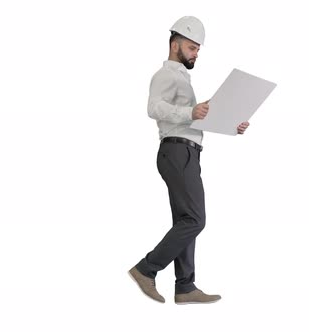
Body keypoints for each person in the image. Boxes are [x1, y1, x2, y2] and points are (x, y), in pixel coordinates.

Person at [128, 16, 250, 305]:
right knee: (195, 220)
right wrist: (190, 113)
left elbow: (193, 117)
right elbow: (153, 108)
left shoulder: (183, 78)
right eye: (193, 48)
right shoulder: (166, 75)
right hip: (176, 152)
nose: (196, 54)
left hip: (186, 152)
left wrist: (232, 124)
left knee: (185, 220)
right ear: (175, 45)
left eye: (198, 49)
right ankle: (146, 269)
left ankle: (185, 286)